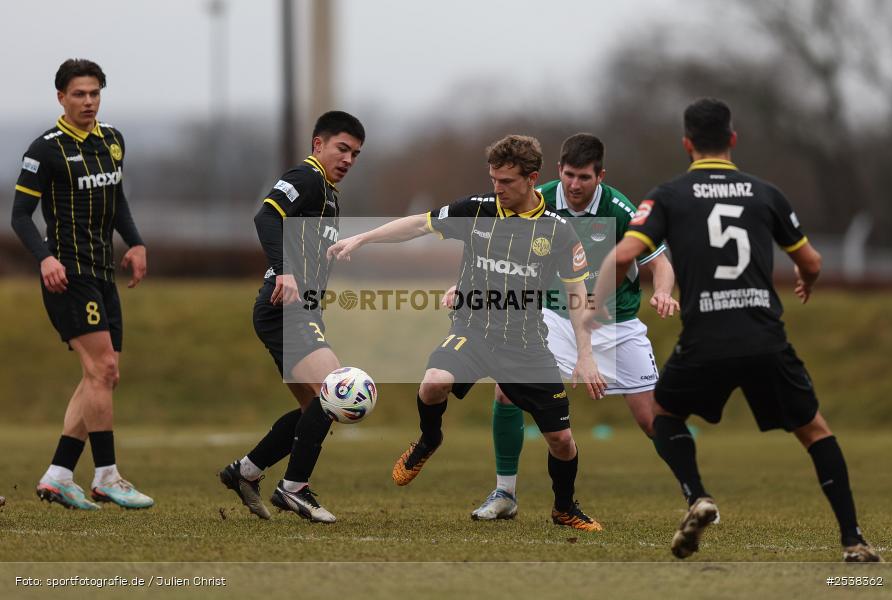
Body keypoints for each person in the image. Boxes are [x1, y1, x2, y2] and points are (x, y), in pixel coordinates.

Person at [585, 98, 880, 562]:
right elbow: (812, 261)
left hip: (705, 338)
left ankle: (698, 495)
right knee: (814, 430)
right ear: (733, 140)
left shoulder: (668, 195)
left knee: (664, 413)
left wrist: (592, 308)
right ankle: (853, 540)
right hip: (764, 336)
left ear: (687, 144)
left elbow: (624, 255)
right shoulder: (766, 193)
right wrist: (807, 280)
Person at [329, 134, 607, 531]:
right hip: (473, 330)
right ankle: (429, 439)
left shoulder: (558, 232)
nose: (497, 188)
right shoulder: (476, 210)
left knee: (561, 441)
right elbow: (418, 225)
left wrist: (586, 354)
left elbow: (578, 296)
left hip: (526, 344)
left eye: (506, 181)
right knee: (433, 383)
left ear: (532, 179)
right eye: (493, 179)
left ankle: (564, 508)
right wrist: (363, 237)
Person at [462, 133, 679, 521]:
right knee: (507, 392)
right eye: (569, 175)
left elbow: (660, 262)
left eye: (584, 177)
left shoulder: (619, 209)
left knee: (652, 418)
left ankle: (695, 496)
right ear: (559, 170)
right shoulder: (538, 199)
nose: (575, 185)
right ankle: (504, 493)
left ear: (600, 176)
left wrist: (663, 292)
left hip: (617, 322)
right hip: (555, 317)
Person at [11, 59, 152, 510]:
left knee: (101, 376)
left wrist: (135, 242)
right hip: (69, 275)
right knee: (103, 370)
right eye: (79, 94)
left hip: (103, 272)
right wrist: (45, 258)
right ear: (61, 98)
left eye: (94, 93)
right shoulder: (45, 150)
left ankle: (58, 475)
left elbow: (117, 198)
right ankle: (107, 475)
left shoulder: (112, 140)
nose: (88, 102)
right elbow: (19, 216)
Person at [219, 111, 365, 524]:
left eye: (355, 154)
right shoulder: (307, 178)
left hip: (301, 310)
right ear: (318, 144)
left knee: (314, 409)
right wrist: (284, 269)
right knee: (336, 393)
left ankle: (246, 471)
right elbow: (266, 216)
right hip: (285, 308)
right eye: (342, 148)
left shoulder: (329, 194)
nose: (348, 159)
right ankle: (294, 488)